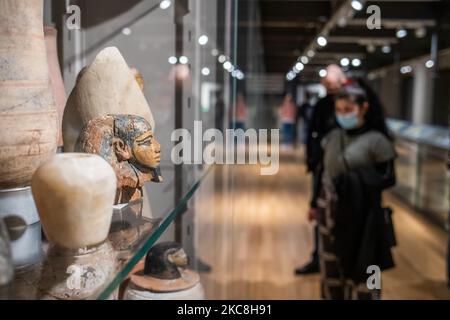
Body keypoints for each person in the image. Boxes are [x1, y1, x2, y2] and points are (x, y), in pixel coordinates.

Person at [318, 83, 396, 300]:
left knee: (368, 271)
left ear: (363, 108)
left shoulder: (378, 142)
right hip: (331, 211)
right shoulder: (332, 137)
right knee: (332, 270)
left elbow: (388, 178)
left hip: (365, 215)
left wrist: (354, 181)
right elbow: (322, 172)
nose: (343, 115)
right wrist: (314, 203)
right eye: (339, 110)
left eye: (348, 109)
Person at [295, 65, 346, 275]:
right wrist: (313, 160)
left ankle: (340, 258)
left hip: (346, 170)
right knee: (319, 211)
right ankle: (319, 257)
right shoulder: (322, 105)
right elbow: (313, 135)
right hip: (323, 167)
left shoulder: (348, 103)